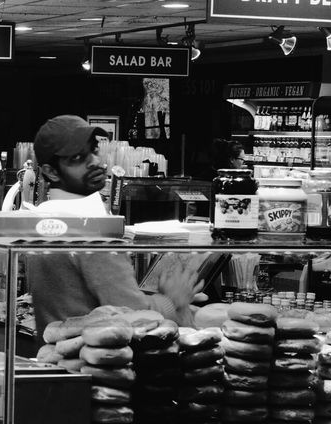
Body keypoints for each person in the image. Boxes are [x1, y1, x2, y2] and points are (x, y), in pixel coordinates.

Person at [25, 115, 201, 332]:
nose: (95, 161)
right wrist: (173, 300)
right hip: (95, 361)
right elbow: (133, 314)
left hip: (58, 355)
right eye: (78, 158)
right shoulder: (90, 228)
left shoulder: (45, 218)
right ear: (50, 172)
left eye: (94, 150)